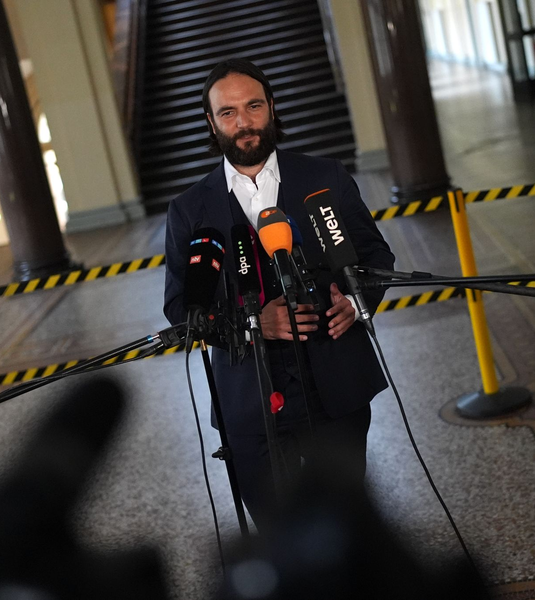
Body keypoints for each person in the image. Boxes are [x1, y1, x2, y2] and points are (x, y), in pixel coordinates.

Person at [163, 58, 395, 533]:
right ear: (211, 123)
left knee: (348, 528)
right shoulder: (189, 210)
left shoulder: (324, 177)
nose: (243, 122)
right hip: (249, 400)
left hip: (336, 386)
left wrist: (354, 301)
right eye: (227, 113)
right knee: (278, 539)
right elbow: (181, 308)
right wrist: (254, 324)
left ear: (271, 107)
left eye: (253, 106)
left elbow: (375, 258)